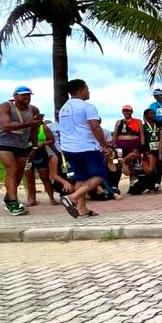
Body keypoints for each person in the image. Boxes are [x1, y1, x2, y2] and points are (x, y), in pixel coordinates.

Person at [58, 79, 112, 218]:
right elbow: (95, 126)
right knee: (99, 175)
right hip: (85, 146)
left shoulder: (64, 108)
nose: (89, 91)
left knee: (81, 177)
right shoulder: (87, 107)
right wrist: (104, 145)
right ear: (80, 90)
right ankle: (72, 197)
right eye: (87, 88)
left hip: (68, 148)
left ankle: (82, 209)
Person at [0, 86, 43, 215]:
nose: (27, 97)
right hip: (3, 141)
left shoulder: (33, 109)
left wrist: (34, 146)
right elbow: (6, 125)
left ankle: (9, 197)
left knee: (19, 173)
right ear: (15, 96)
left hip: (21, 144)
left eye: (29, 95)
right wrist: (28, 124)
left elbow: (35, 129)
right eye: (23, 95)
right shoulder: (6, 106)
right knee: (11, 169)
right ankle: (14, 202)